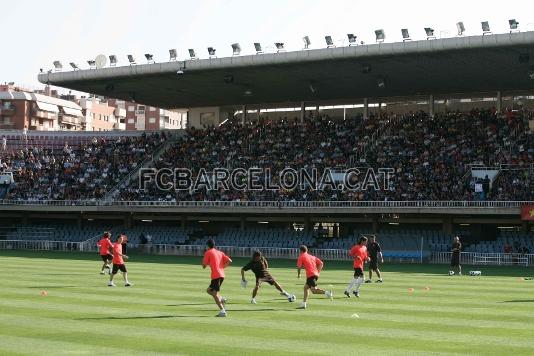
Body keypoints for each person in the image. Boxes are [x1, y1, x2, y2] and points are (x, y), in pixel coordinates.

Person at [202, 239, 232, 317]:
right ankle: (221, 299)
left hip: (216, 276)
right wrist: (222, 268)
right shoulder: (220, 252)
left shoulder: (208, 252)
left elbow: (204, 266)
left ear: (208, 246)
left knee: (214, 293)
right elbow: (230, 261)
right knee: (209, 290)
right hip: (221, 275)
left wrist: (204, 265)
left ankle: (222, 311)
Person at [296, 245, 332, 309]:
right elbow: (321, 263)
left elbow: (299, 267)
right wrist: (318, 272)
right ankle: (303, 304)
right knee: (305, 288)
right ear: (306, 250)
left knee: (314, 290)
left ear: (300, 251)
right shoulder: (312, 256)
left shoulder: (301, 257)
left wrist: (299, 274)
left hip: (311, 275)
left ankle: (327, 293)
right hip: (314, 274)